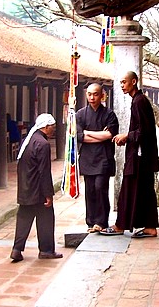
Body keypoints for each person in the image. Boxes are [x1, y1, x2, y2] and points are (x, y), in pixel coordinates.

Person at [100, 70, 159, 238]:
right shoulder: (138, 100)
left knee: (128, 190)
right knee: (144, 191)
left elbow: (145, 131)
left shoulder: (139, 101)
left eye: (124, 82)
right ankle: (149, 227)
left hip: (140, 156)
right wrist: (127, 137)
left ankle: (121, 225)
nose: (122, 85)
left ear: (133, 82)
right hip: (140, 155)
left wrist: (126, 136)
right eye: (120, 82)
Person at [10, 113, 63, 261]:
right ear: (46, 127)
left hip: (26, 188)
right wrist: (48, 194)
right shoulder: (43, 144)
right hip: (37, 190)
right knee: (46, 218)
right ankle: (46, 250)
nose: (53, 129)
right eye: (52, 126)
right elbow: (44, 172)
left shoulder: (30, 140)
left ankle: (17, 249)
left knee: (23, 219)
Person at [76, 83, 119, 233]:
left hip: (103, 158)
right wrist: (100, 135)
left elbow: (110, 135)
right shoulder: (80, 114)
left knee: (100, 188)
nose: (92, 97)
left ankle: (101, 222)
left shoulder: (109, 114)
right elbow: (79, 137)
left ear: (102, 95)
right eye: (89, 94)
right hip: (88, 158)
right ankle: (90, 222)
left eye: (95, 94)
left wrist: (89, 133)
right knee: (90, 190)